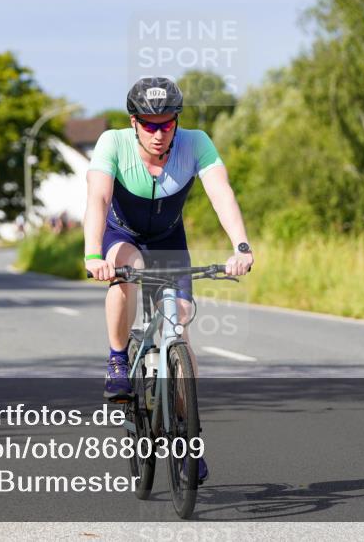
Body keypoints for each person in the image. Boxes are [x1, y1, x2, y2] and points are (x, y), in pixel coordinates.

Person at [83, 76, 255, 485]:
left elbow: (221, 193)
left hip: (168, 240)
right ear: (133, 122)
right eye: (149, 124)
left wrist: (241, 247)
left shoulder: (196, 143)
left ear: (177, 121)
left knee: (180, 327)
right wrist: (93, 254)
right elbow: (98, 198)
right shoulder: (113, 143)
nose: (159, 133)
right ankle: (117, 359)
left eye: (167, 123)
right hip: (121, 236)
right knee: (126, 271)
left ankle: (188, 439)